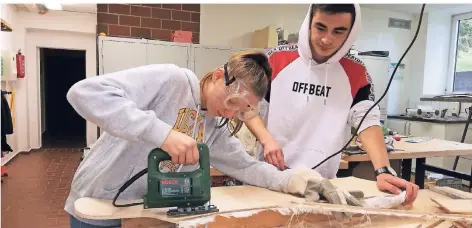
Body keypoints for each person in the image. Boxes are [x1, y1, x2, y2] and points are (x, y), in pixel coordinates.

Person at [64, 50, 361, 228]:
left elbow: (246, 167)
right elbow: (84, 93)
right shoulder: (172, 80)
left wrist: (296, 181)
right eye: (231, 101)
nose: (231, 113)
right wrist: (163, 134)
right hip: (99, 201)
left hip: (144, 212)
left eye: (242, 109)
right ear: (219, 76)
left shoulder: (213, 125)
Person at [244, 4, 419, 205]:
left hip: (322, 186)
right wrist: (267, 140)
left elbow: (367, 121)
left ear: (351, 32)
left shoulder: (356, 72)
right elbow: (246, 106)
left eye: (338, 31)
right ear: (309, 23)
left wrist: (382, 170)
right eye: (320, 28)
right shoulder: (275, 59)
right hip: (270, 178)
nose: (327, 39)